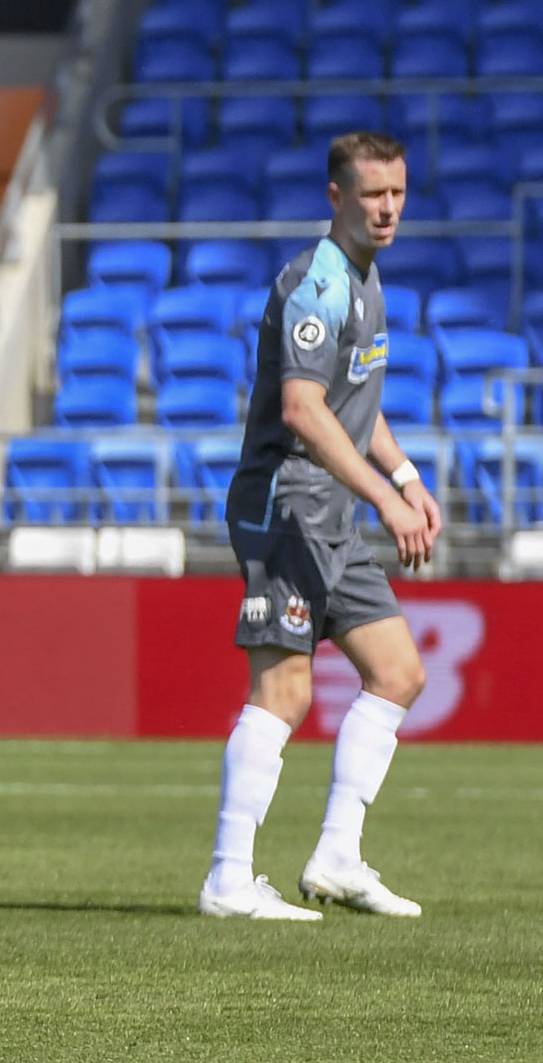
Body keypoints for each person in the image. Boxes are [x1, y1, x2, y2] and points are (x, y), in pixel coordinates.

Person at [199, 130, 439, 921]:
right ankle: (229, 880)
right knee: (285, 689)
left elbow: (353, 407)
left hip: (330, 510)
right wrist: (385, 499)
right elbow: (304, 410)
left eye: (398, 193)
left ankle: (337, 857)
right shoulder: (317, 283)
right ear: (336, 196)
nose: (389, 208)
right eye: (374, 194)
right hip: (285, 503)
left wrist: (404, 475)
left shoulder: (367, 284)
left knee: (399, 671)